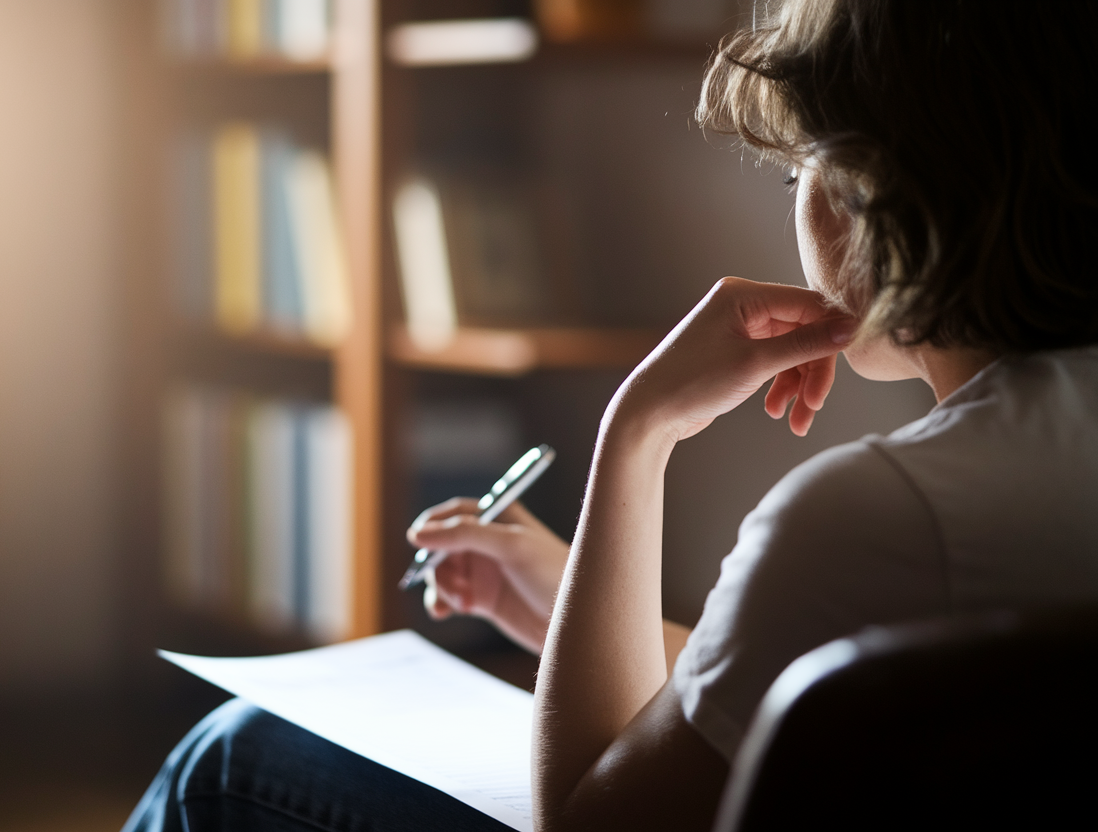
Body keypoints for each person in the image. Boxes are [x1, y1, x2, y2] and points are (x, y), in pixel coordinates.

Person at [124, 1, 1098, 830]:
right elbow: (821, 686)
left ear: (863, 192)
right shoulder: (971, 509)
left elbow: (588, 818)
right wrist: (581, 601)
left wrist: (636, 430)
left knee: (237, 756)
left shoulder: (871, 514)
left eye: (800, 162)